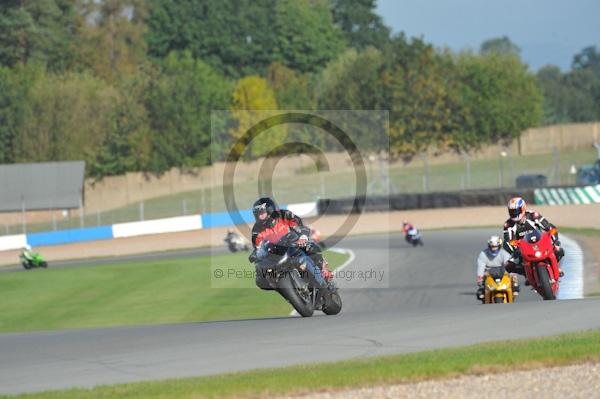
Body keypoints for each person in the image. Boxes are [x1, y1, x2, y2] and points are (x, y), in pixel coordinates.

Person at [249, 197, 333, 290]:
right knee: (261, 275)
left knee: (311, 246)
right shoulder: (256, 230)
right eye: (258, 214)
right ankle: (285, 290)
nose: (260, 217)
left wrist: (302, 236)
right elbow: (258, 248)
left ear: (270, 210)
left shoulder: (284, 215)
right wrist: (256, 255)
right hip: (276, 254)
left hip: (294, 243)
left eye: (262, 213)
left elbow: (299, 224)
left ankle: (323, 269)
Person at [503, 197, 564, 277]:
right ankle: (527, 274)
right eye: (512, 212)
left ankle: (556, 267)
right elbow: (508, 241)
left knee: (558, 250)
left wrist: (555, 241)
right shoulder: (508, 225)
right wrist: (515, 250)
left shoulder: (534, 216)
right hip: (522, 249)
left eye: (516, 211)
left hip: (540, 243)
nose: (514, 213)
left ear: (523, 208)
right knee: (508, 266)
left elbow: (549, 227)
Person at [476, 236, 520, 302]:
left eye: (496, 247)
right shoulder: (483, 254)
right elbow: (481, 267)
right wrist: (480, 276)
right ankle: (483, 293)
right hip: (488, 273)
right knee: (481, 284)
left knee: (513, 277)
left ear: (499, 246)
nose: (494, 249)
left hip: (502, 271)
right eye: (492, 247)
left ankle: (514, 289)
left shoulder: (504, 253)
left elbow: (508, 264)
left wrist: (512, 274)